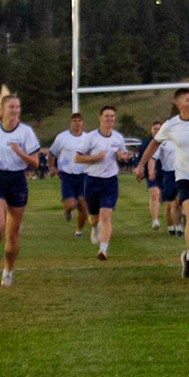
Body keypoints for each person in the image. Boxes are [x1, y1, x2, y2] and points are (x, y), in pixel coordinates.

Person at [135, 88, 189, 281]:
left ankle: (188, 256)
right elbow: (154, 143)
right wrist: (141, 165)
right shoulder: (171, 125)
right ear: (179, 104)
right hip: (185, 177)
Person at [0, 88, 42, 286]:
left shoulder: (26, 132)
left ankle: (8, 271)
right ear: (3, 110)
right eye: (11, 107)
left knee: (12, 234)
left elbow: (35, 162)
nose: (15, 110)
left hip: (17, 181)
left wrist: (20, 152)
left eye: (18, 107)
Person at [74, 105, 126, 261]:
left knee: (106, 216)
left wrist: (123, 156)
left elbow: (124, 154)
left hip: (110, 181)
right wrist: (95, 157)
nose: (110, 119)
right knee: (94, 218)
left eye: (112, 116)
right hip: (92, 180)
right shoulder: (91, 137)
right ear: (100, 118)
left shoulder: (118, 138)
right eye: (106, 116)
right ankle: (95, 228)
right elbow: (77, 158)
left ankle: (103, 250)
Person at [48, 114, 91, 236]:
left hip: (83, 175)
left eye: (79, 121)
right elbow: (52, 153)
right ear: (70, 122)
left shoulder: (88, 138)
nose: (77, 123)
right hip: (67, 175)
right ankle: (68, 209)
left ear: (82, 123)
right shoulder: (62, 137)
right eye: (74, 121)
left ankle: (79, 231)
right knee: (70, 204)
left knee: (83, 205)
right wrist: (52, 168)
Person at [144, 120, 168, 230]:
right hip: (151, 172)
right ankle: (155, 220)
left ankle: (176, 219)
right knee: (154, 193)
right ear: (151, 130)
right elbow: (141, 158)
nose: (157, 131)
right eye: (155, 129)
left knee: (166, 198)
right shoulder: (147, 143)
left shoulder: (168, 141)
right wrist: (140, 169)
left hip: (165, 173)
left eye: (159, 129)